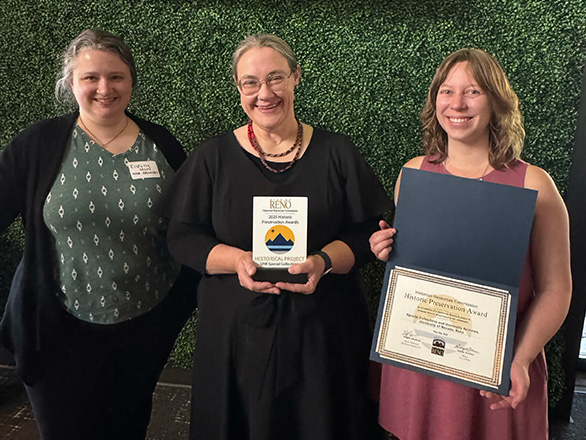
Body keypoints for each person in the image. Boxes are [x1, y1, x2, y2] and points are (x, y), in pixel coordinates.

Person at [156, 33, 392, 440]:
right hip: (236, 335)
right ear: (238, 87)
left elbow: (366, 232)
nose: (264, 93)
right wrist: (237, 261)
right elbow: (181, 237)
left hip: (324, 333)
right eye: (251, 82)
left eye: (275, 78)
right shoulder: (212, 157)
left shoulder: (337, 151)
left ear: (296, 77)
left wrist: (322, 261)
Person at [0, 29, 199, 440]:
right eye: (90, 77)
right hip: (56, 329)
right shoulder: (37, 145)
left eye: (116, 77)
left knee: (128, 427)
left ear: (132, 81)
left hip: (144, 325)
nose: (104, 88)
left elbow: (192, 223)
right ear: (70, 83)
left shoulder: (160, 144)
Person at [369, 48, 572, 439]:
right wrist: (388, 250)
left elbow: (556, 288)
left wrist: (520, 359)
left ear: (496, 102)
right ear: (435, 101)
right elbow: (416, 268)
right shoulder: (413, 174)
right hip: (420, 359)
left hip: (499, 364)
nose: (457, 104)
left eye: (473, 92)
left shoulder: (535, 185)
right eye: (447, 91)